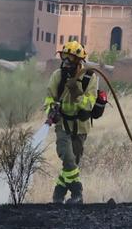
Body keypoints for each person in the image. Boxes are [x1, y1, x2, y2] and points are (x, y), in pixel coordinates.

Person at [44, 40, 108, 204]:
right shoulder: (57, 76)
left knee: (72, 165)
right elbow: (49, 97)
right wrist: (51, 110)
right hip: (63, 124)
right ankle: (77, 194)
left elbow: (88, 104)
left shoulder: (90, 78)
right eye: (64, 57)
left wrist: (75, 91)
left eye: (70, 58)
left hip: (81, 125)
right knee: (67, 157)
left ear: (79, 60)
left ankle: (58, 196)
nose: (66, 62)